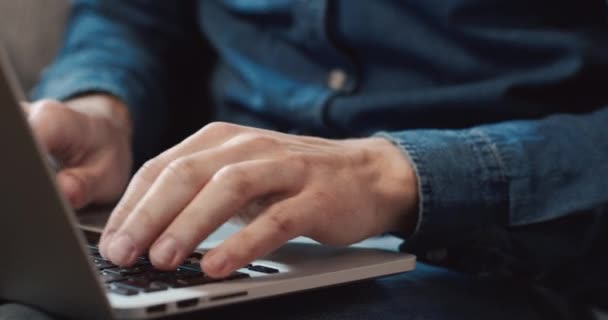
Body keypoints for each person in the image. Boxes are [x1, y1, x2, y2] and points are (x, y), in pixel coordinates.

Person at [8, 0, 608, 319]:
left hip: (490, 259)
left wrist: (394, 175)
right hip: (206, 226)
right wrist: (102, 105)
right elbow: (133, 15)